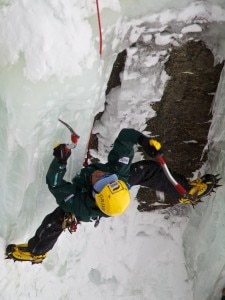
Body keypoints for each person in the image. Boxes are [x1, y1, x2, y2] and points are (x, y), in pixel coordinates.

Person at [5, 128, 215, 263]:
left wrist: (59, 161)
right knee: (147, 170)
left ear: (95, 195)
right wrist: (143, 141)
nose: (102, 175)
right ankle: (185, 190)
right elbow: (125, 138)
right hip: (118, 189)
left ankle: (36, 251)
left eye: (102, 182)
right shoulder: (117, 174)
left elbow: (55, 184)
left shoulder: (83, 206)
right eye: (108, 179)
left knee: (56, 220)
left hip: (83, 202)